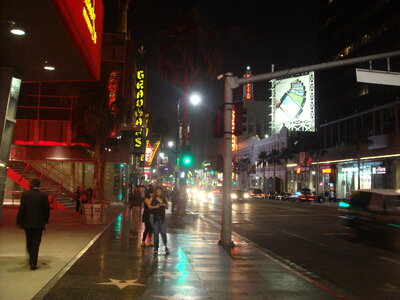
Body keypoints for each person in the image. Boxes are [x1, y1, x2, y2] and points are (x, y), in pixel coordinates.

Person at [16, 178, 50, 270]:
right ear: (39, 185)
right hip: (39, 224)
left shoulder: (26, 194)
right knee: (36, 243)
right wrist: (45, 222)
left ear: (31, 184)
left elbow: (22, 208)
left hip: (27, 223)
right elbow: (47, 210)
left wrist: (18, 221)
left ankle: (30, 259)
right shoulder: (43, 195)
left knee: (29, 241)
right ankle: (33, 264)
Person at [146, 187, 169, 255]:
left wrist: (164, 205)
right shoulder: (152, 198)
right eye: (157, 192)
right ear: (155, 193)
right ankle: (156, 248)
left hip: (162, 218)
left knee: (163, 232)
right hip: (155, 218)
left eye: (159, 191)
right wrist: (156, 206)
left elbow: (167, 206)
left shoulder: (164, 199)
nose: (158, 193)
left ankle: (166, 246)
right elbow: (149, 206)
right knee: (156, 233)